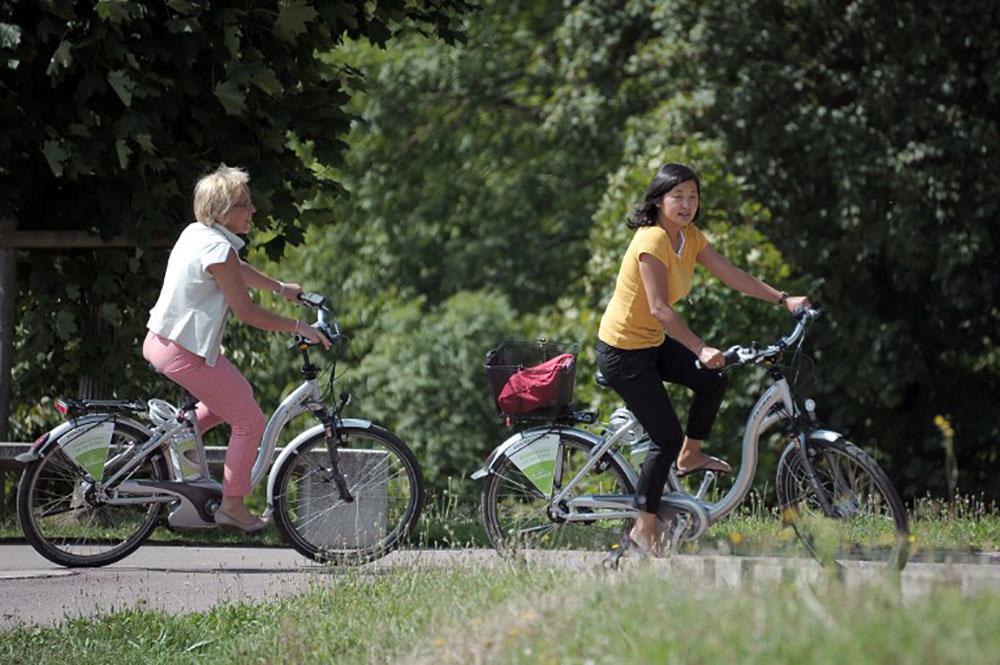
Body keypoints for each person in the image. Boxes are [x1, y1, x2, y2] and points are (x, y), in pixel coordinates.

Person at [596, 162, 810, 554]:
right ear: (659, 200)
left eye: (692, 197)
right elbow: (660, 308)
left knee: (713, 380)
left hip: (649, 343)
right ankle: (643, 529)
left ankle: (690, 456)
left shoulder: (688, 237)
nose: (686, 204)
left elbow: (731, 274)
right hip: (623, 352)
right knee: (664, 437)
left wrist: (783, 299)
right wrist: (699, 347)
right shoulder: (652, 241)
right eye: (677, 196)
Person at [143, 165, 329, 533]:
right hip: (183, 352)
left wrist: (280, 288)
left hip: (166, 342)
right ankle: (232, 505)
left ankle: (180, 437)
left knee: (237, 396)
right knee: (250, 421)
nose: (253, 210)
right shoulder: (217, 247)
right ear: (223, 211)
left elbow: (235, 268)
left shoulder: (199, 234)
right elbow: (246, 311)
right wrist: (299, 326)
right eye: (245, 204)